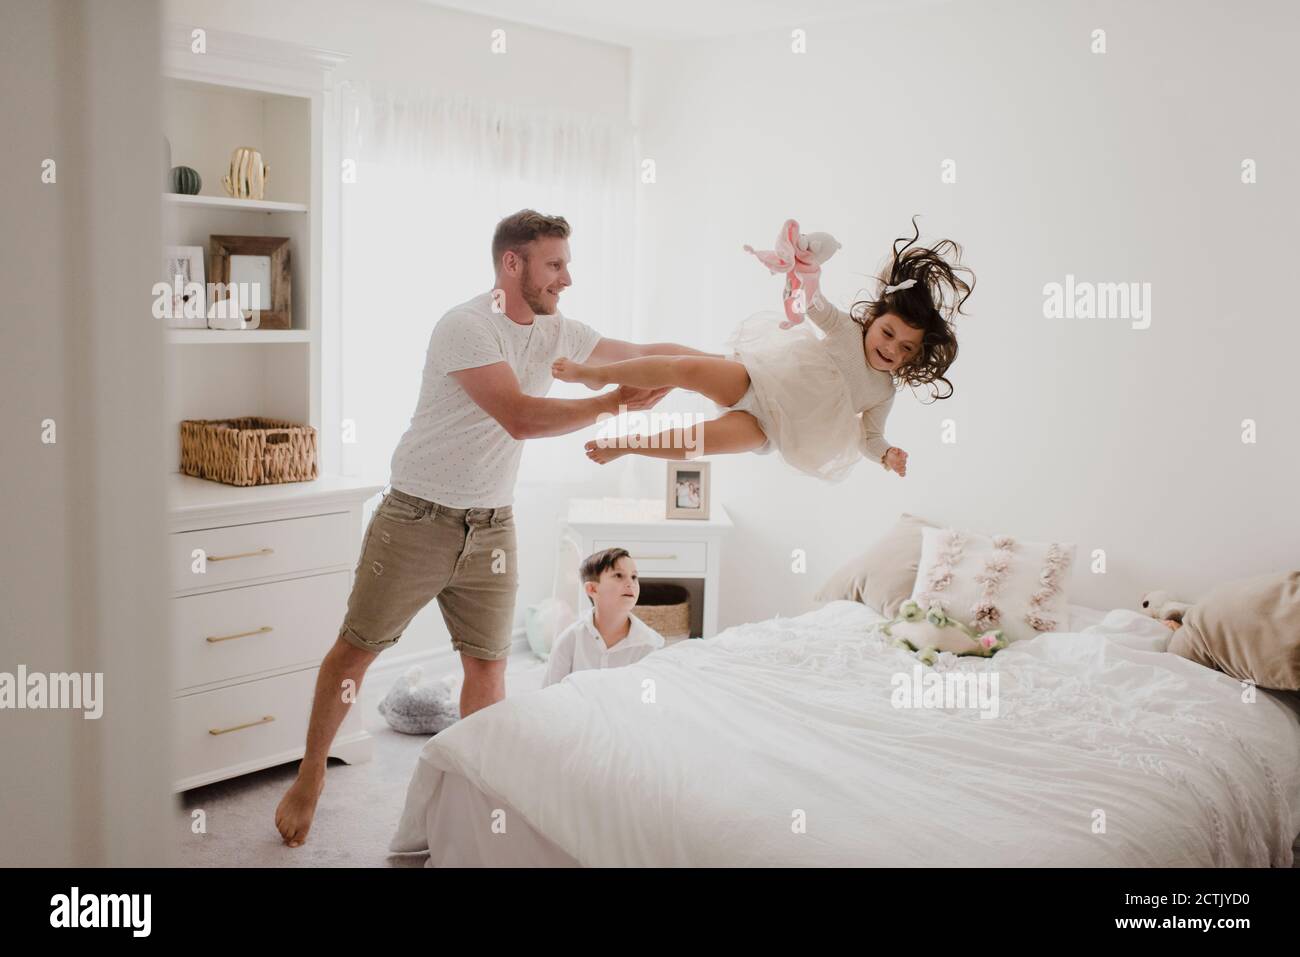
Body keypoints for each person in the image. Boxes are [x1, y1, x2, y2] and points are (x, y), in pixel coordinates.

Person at [275, 209, 711, 847]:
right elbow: (521, 417)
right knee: (357, 650)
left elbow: (641, 353)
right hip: (417, 516)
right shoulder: (465, 326)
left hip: (493, 522)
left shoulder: (557, 329)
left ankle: (472, 797)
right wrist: (611, 402)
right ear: (514, 264)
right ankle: (311, 773)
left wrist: (728, 369)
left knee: (488, 667)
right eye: (555, 263)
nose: (567, 277)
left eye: (567, 262)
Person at [552, 216, 975, 482]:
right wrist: (804, 270)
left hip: (771, 429)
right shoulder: (846, 330)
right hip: (758, 379)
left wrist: (885, 454)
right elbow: (812, 302)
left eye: (904, 349)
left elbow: (869, 435)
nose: (891, 349)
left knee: (696, 442)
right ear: (873, 320)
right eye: (887, 333)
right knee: (685, 368)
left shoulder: (884, 391)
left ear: (912, 358)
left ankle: (626, 444)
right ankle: (596, 374)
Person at [542, 548, 664, 688]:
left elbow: (649, 700)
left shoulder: (649, 644)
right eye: (618, 575)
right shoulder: (570, 640)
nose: (630, 583)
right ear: (592, 589)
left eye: (634, 577)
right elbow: (549, 694)